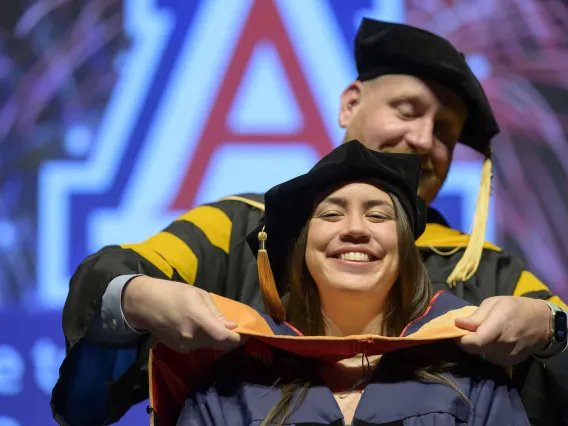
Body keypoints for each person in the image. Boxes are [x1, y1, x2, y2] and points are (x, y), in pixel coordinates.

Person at [51, 18, 568, 426]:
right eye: (407, 110)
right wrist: (138, 298)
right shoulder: (237, 229)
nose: (421, 140)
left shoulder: (485, 269)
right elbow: (116, 275)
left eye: (445, 134)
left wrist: (551, 328)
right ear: (350, 103)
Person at [149, 140, 530, 426]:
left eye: (378, 216)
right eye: (331, 214)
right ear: (303, 249)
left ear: (406, 252)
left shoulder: (472, 382)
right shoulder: (229, 390)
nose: (354, 230)